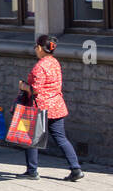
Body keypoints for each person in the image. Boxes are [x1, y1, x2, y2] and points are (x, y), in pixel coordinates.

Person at [18, 35, 84, 181]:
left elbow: (35, 89)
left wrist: (23, 86)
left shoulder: (40, 66)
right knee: (61, 138)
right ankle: (76, 168)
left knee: (31, 138)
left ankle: (32, 171)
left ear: (41, 48)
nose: (35, 49)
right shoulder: (55, 63)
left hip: (40, 106)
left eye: (36, 47)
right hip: (57, 105)